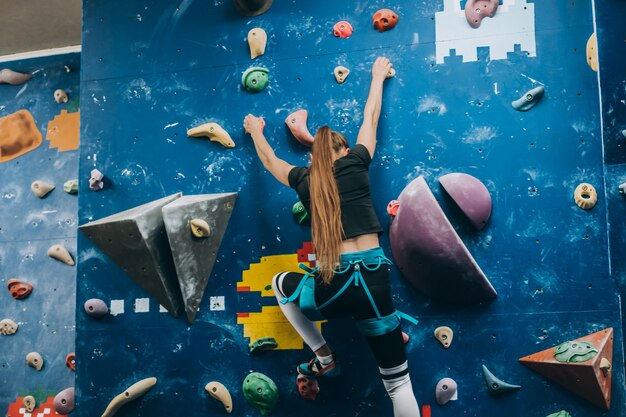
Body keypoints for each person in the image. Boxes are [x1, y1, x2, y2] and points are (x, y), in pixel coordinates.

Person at [243, 57, 420, 417]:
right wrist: (376, 77)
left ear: (315, 160)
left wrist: (255, 131)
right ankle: (383, 331)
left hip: (332, 288)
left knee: (280, 283)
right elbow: (369, 118)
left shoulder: (304, 180)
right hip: (373, 284)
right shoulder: (357, 161)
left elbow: (269, 161)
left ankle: (323, 355)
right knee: (399, 384)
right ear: (343, 151)